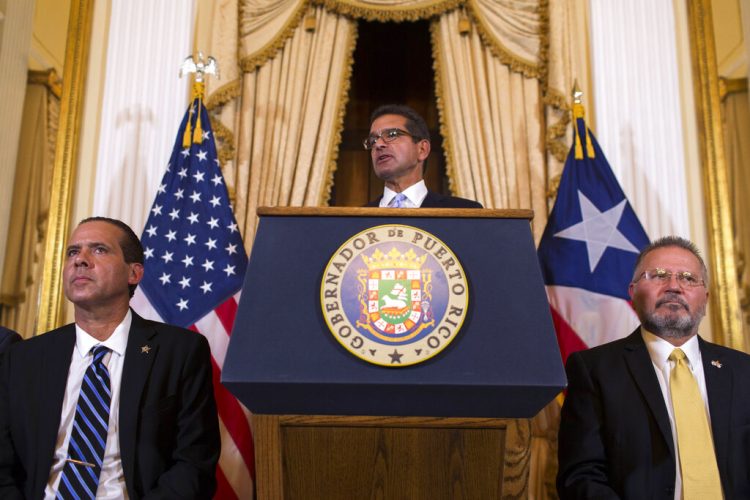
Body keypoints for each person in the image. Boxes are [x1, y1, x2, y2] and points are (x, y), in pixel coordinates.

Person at [0, 217, 220, 499]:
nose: (81, 260)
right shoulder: (23, 358)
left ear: (134, 273)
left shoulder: (181, 352)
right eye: (73, 251)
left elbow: (194, 465)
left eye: (99, 249)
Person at [557, 236, 750, 499]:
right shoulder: (594, 370)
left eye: (688, 278)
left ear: (705, 297)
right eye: (658, 275)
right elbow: (580, 476)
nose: (674, 286)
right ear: (633, 292)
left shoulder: (743, 371)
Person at [364, 104, 483, 208]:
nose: (378, 144)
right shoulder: (355, 220)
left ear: (422, 149)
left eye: (392, 134)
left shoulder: (464, 213)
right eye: (373, 140)